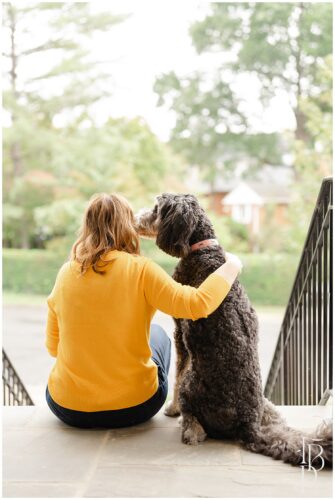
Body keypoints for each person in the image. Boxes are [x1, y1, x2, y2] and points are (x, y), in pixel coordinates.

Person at [45, 193, 243, 429]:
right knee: (158, 334)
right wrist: (231, 266)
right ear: (127, 225)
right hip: (134, 407)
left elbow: (53, 348)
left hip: (67, 408)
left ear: (87, 227)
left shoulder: (66, 273)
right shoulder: (142, 270)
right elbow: (197, 304)